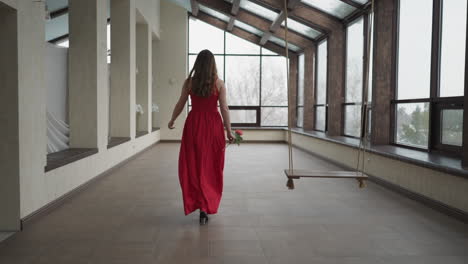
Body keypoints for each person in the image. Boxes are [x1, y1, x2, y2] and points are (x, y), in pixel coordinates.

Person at [168, 49, 233, 225]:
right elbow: (225, 108)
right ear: (213, 64)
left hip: (194, 125)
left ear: (197, 63)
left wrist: (172, 119)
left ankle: (198, 202)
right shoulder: (219, 84)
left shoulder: (189, 82)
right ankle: (206, 204)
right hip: (213, 127)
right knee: (211, 165)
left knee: (193, 164)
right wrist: (229, 130)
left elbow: (181, 103)